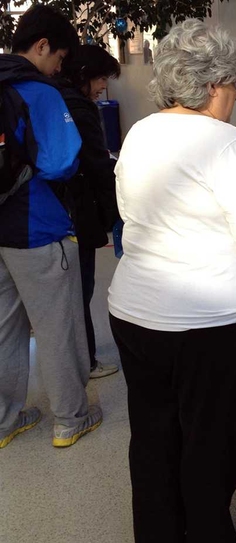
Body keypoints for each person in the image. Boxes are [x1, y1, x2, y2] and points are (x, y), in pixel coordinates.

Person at [108, 20, 236, 543]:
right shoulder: (222, 139)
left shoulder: (140, 132)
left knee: (154, 440)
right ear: (217, 85)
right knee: (211, 442)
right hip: (211, 321)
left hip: (136, 312)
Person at [0, 5, 103, 449]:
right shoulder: (38, 91)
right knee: (56, 325)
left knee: (4, 330)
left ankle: (5, 421)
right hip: (36, 226)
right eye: (58, 57)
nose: (59, 67)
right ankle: (70, 419)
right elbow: (61, 162)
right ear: (41, 45)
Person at [59, 44, 121, 379]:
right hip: (76, 210)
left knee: (73, 290)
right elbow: (97, 163)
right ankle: (87, 361)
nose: (102, 87)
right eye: (99, 79)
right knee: (80, 288)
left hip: (58, 210)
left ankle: (82, 359)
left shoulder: (58, 97)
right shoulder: (79, 108)